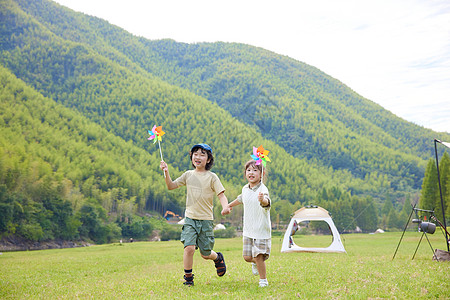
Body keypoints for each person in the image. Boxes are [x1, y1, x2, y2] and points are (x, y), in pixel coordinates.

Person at [160, 143, 231, 286]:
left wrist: (225, 207)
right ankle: (188, 278)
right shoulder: (188, 175)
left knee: (205, 254)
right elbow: (171, 186)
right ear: (191, 157)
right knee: (189, 248)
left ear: (208, 159)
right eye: (195, 154)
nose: (198, 157)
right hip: (190, 218)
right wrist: (166, 172)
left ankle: (217, 258)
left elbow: (221, 195)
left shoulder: (212, 177)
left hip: (205, 220)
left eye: (202, 154)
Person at [227, 160, 271, 287]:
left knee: (259, 256)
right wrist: (229, 206)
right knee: (247, 257)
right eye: (249, 170)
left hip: (261, 229)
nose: (251, 173)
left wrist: (262, 199)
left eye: (255, 170)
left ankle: (263, 280)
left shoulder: (263, 189)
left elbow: (267, 202)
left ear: (261, 174)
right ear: (245, 173)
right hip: (248, 229)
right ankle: (257, 262)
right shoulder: (245, 188)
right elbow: (240, 198)